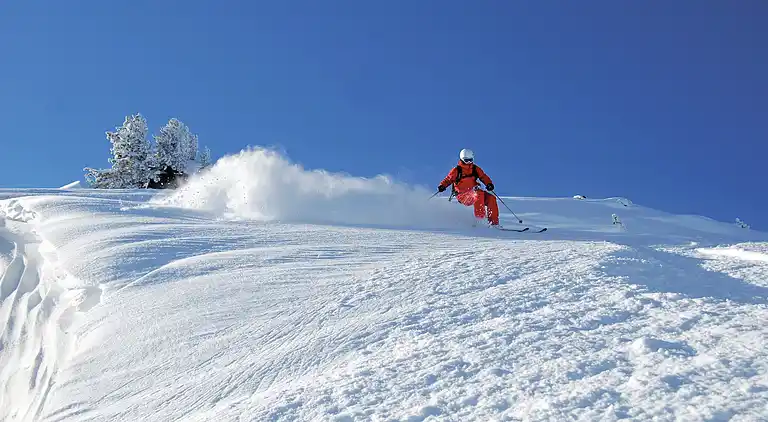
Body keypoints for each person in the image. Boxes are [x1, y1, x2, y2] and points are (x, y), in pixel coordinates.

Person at [437, 149, 500, 226]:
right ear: (462, 159)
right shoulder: (457, 170)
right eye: (467, 160)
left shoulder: (475, 169)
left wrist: (489, 184)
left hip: (475, 192)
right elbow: (448, 179)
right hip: (462, 195)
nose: (469, 162)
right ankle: (480, 221)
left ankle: (494, 223)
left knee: (491, 198)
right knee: (478, 193)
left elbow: (483, 176)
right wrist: (442, 185)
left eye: (471, 160)